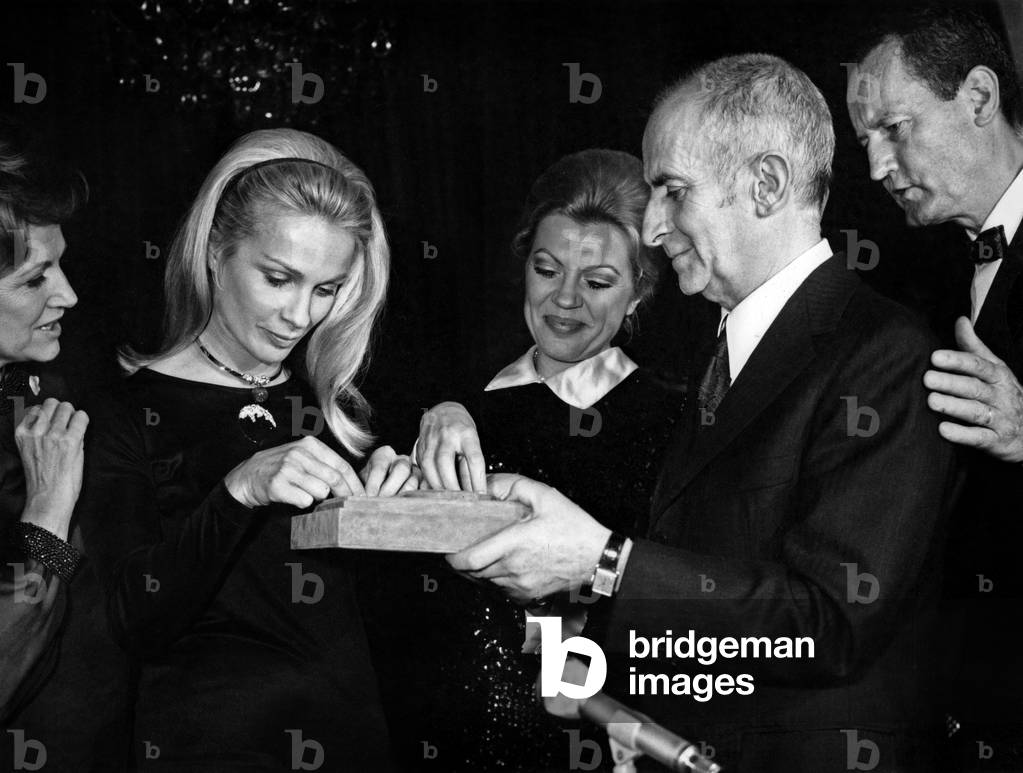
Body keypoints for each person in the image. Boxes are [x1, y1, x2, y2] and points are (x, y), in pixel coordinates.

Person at [449, 54, 960, 772]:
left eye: (672, 191)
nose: (653, 227)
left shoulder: (885, 354)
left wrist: (601, 562)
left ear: (766, 184)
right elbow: (710, 586)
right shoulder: (716, 349)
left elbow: (831, 623)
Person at [79, 128, 416, 771]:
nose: (300, 314)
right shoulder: (125, 413)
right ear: (214, 251)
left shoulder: (338, 411)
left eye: (326, 290)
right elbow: (133, 620)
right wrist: (239, 490)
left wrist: (397, 511)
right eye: (279, 278)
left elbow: (373, 626)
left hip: (355, 744)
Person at [411, 148, 675, 771]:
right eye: (547, 269)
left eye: (598, 281)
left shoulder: (680, 419)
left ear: (640, 291)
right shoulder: (455, 417)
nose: (565, 299)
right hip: (459, 740)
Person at [845, 8, 1023, 768]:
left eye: (893, 129)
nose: (878, 167)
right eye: (864, 144)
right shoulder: (912, 271)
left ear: (977, 98)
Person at [0, 128, 134, 773]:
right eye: (34, 279)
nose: (69, 295)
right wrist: (48, 512)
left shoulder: (48, 383)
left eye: (61, 264)